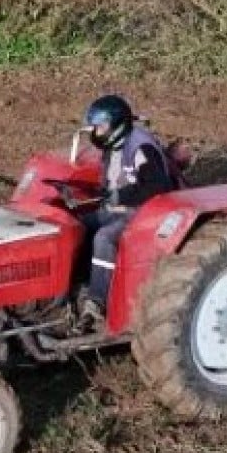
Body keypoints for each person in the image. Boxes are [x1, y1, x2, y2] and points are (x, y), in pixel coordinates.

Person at [78, 95, 178, 324]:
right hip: (115, 207)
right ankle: (81, 283)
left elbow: (156, 186)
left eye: (100, 127)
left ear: (117, 125)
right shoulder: (113, 146)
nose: (96, 132)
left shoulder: (141, 148)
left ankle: (97, 301)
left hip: (141, 212)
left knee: (104, 237)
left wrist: (119, 195)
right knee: (78, 226)